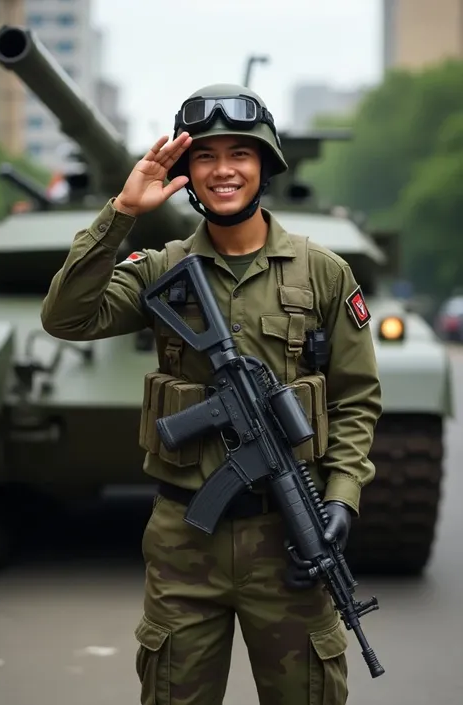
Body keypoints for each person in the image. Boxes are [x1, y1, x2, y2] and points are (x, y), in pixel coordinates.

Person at [41, 83, 382, 705]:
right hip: (184, 540)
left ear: (265, 165)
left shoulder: (324, 272)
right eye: (206, 156)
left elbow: (356, 398)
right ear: (187, 172)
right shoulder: (158, 268)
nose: (223, 170)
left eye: (240, 154)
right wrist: (122, 210)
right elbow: (66, 318)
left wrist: (341, 498)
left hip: (288, 538)